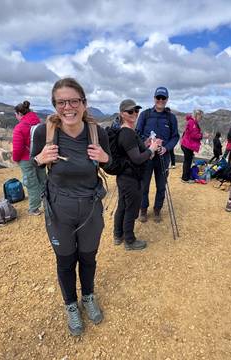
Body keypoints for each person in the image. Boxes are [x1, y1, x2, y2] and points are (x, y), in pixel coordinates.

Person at [31, 78, 111, 336]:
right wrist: (38, 159)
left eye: (74, 101)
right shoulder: (45, 133)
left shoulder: (98, 133)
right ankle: (71, 305)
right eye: (61, 102)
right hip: (59, 209)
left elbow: (112, 166)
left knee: (88, 257)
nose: (68, 107)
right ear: (55, 106)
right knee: (65, 260)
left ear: (84, 104)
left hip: (89, 208)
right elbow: (32, 166)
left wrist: (106, 158)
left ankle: (87, 296)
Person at [113, 99, 160, 250]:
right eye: (130, 111)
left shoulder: (126, 132)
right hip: (131, 178)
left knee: (122, 205)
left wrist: (145, 144)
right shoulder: (127, 133)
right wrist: (152, 149)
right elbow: (137, 159)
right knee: (131, 209)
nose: (134, 113)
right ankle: (130, 241)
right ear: (122, 114)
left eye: (136, 111)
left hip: (124, 176)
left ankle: (118, 235)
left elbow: (132, 152)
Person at [136, 86, 180, 223]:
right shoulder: (145, 114)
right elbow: (137, 134)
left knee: (161, 185)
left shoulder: (171, 118)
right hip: (147, 155)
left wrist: (166, 148)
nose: (160, 100)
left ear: (167, 99)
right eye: (158, 97)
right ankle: (143, 209)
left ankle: (157, 210)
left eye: (163, 98)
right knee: (144, 184)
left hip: (163, 157)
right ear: (154, 98)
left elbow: (175, 137)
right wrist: (146, 142)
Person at [12, 100, 46, 216]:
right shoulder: (39, 123)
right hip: (40, 156)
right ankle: (48, 204)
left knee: (32, 183)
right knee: (43, 180)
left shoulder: (19, 127)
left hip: (26, 159)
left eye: (16, 114)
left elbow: (17, 148)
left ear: (20, 114)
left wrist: (16, 159)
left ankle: (34, 208)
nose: (15, 117)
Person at [180, 110, 203, 183]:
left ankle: (185, 176)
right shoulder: (192, 122)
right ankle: (185, 178)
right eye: (200, 116)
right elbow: (194, 135)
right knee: (187, 162)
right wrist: (202, 135)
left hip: (187, 144)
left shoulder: (192, 122)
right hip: (187, 145)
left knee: (187, 161)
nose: (201, 118)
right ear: (197, 115)